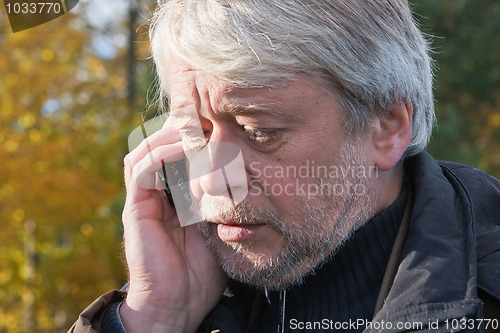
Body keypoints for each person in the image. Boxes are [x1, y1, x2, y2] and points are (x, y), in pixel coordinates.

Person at [69, 0, 500, 332]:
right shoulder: (170, 295)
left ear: (386, 128)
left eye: (259, 132)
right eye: (193, 132)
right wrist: (157, 317)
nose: (213, 179)